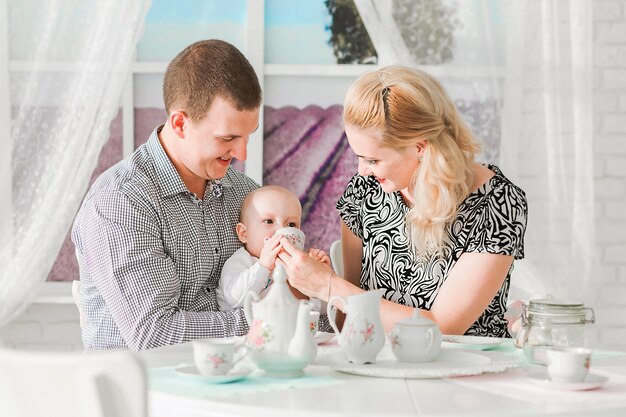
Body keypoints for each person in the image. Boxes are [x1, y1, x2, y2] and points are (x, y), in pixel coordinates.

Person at [277, 66, 528, 338]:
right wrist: (317, 287)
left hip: (462, 368)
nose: (362, 170)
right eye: (358, 157)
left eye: (373, 159)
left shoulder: (498, 203)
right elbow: (348, 318)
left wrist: (330, 286)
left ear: (419, 147)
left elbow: (443, 329)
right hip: (379, 363)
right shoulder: (364, 192)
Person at [71, 39, 262, 350]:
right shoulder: (119, 202)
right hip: (144, 392)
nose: (241, 152)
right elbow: (154, 334)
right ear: (180, 123)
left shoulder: (245, 194)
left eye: (247, 135)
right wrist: (263, 319)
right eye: (228, 137)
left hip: (232, 385)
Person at [217, 185, 330, 310]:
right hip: (247, 327)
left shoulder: (295, 265)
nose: (281, 230)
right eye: (269, 221)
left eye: (291, 224)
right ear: (244, 233)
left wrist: (318, 276)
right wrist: (263, 266)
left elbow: (322, 311)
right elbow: (234, 299)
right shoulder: (241, 261)